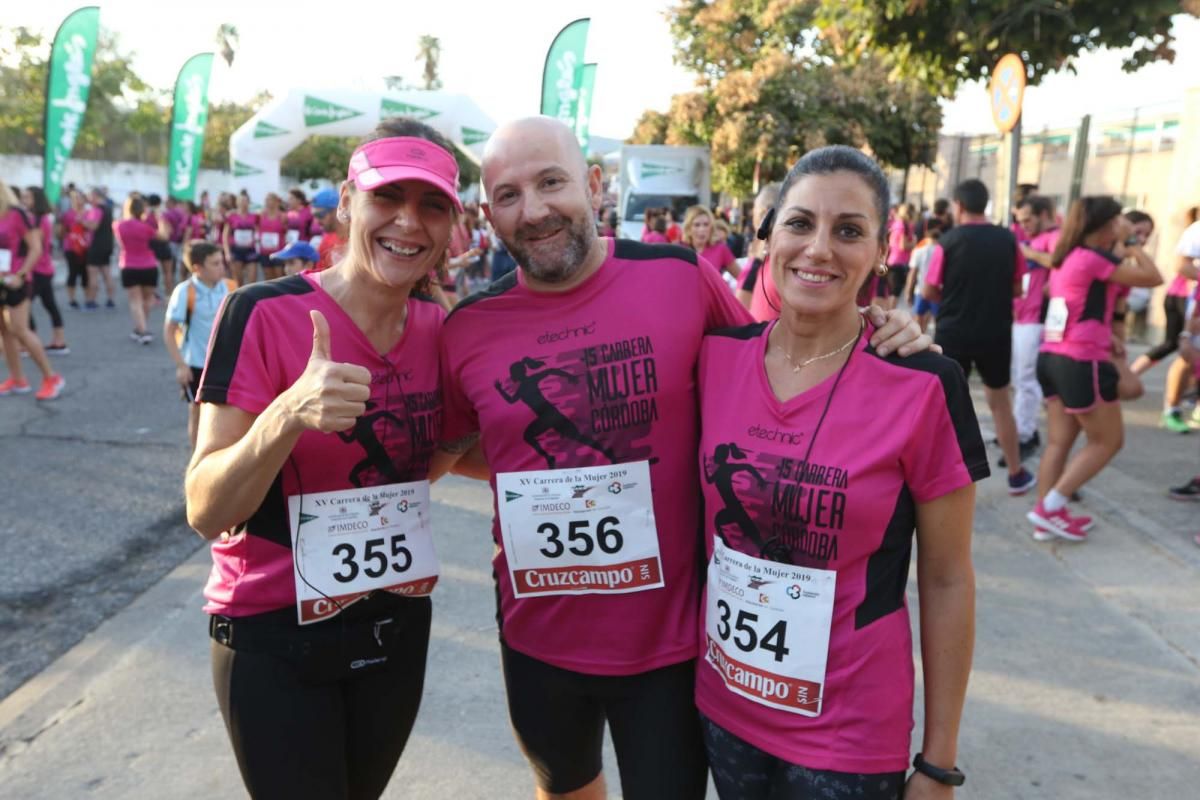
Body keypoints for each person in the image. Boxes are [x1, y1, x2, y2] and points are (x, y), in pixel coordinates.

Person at [434, 116, 931, 800]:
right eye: (509, 195)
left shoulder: (678, 276)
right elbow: (449, 452)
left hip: (670, 646)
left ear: (595, 185)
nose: (535, 209)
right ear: (488, 213)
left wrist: (875, 327)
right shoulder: (468, 327)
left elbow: (769, 368)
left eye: (552, 182)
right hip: (537, 638)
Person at [185, 117, 463, 800]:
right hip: (273, 632)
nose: (408, 221)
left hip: (395, 621)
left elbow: (443, 459)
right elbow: (204, 507)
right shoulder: (264, 313)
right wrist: (286, 414)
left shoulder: (445, 329)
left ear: (455, 223)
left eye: (432, 204)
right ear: (347, 201)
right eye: (387, 198)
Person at [696, 144, 984, 800]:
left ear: (884, 251)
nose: (820, 248)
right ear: (767, 237)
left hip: (848, 731)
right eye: (799, 223)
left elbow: (947, 579)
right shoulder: (713, 358)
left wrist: (939, 762)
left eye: (849, 230)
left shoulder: (923, 383)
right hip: (724, 706)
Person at [1027, 197, 1163, 542]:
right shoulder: (1093, 258)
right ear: (1105, 224)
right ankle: (1051, 506)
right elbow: (1153, 276)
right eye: (1117, 220)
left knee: (1059, 442)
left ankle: (1047, 518)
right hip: (1081, 360)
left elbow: (1069, 298)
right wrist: (1132, 244)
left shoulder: (1067, 257)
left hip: (1053, 355)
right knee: (1107, 441)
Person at [922, 178, 1036, 494]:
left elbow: (929, 290)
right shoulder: (1008, 239)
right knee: (1000, 402)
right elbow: (1017, 287)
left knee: (942, 404)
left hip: (954, 331)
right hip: (996, 331)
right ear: (984, 204)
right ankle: (1016, 473)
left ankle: (936, 477)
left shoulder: (948, 242)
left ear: (958, 206)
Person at [1132, 206, 1200, 432]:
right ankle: (1171, 409)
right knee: (1183, 349)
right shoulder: (1196, 231)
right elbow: (1181, 265)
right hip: (1185, 299)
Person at [164, 241, 236, 448]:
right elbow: (169, 331)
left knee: (227, 412)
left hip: (225, 363)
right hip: (196, 363)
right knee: (197, 413)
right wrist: (180, 365)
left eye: (221, 261)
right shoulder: (185, 292)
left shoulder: (230, 287)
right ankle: (197, 461)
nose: (221, 267)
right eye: (215, 263)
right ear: (197, 268)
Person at [0, 180, 65, 400]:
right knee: (5, 331)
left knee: (20, 329)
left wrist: (20, 275)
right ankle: (17, 379)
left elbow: (36, 248)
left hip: (17, 279)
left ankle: (51, 377)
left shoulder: (15, 213)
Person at [1010, 194, 1059, 461]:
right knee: (1020, 379)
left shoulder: (1055, 236)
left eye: (1028, 219)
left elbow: (1059, 261)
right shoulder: (1029, 238)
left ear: (1043, 214)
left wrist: (1028, 252)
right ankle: (1022, 430)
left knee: (1027, 379)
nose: (1024, 225)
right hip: (1021, 317)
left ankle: (1023, 435)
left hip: (1038, 319)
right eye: (1021, 221)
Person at [114, 194, 169, 344]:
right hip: (149, 265)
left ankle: (142, 330)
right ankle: (141, 328)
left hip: (129, 264)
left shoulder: (119, 225)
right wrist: (159, 218)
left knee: (135, 301)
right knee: (147, 299)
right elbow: (164, 237)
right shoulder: (146, 228)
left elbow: (120, 240)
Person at [21, 186, 68, 353]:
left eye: (27, 197)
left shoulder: (37, 220)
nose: (23, 201)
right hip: (43, 268)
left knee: (22, 306)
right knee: (49, 304)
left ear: (36, 200)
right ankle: (59, 342)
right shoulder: (39, 219)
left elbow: (34, 246)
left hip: (38, 270)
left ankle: (30, 343)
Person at [737, 183, 782, 315]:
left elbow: (740, 305)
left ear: (763, 212)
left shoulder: (764, 252)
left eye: (755, 208)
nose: (752, 213)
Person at [681, 205, 740, 280]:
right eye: (697, 225)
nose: (702, 229)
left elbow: (742, 278)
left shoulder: (720, 249)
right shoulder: (680, 249)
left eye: (706, 224)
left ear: (711, 227)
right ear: (689, 228)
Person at [906, 217, 943, 332]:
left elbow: (912, 274)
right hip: (937, 292)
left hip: (920, 291)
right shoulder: (942, 251)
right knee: (938, 321)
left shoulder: (919, 250)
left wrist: (908, 292)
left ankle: (919, 344)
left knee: (918, 322)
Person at [83, 187, 117, 309]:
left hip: (96, 245)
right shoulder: (108, 208)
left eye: (90, 196)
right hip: (107, 244)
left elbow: (93, 226)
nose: (88, 199)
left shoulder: (97, 209)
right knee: (107, 273)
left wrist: (82, 221)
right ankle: (110, 299)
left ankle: (91, 300)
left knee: (93, 274)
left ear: (96, 196)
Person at [60, 189, 91, 309]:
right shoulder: (68, 214)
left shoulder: (89, 213)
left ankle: (88, 299)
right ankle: (72, 300)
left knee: (85, 274)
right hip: (71, 246)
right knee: (72, 273)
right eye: (75, 198)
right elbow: (62, 230)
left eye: (80, 198)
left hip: (86, 247)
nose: (78, 201)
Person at [224, 192, 260, 286]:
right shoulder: (232, 216)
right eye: (241, 201)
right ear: (237, 203)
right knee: (238, 282)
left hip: (250, 250)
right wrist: (227, 253)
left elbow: (258, 232)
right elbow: (225, 236)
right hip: (236, 250)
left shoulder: (255, 216)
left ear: (249, 203)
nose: (243, 203)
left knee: (252, 281)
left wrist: (257, 243)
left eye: (245, 201)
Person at [885, 202, 916, 308]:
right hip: (899, 262)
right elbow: (903, 245)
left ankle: (888, 316)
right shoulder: (903, 225)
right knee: (895, 293)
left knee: (892, 292)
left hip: (893, 260)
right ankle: (889, 317)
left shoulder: (897, 223)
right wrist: (914, 243)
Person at [146, 194, 177, 295]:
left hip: (150, 245)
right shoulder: (162, 214)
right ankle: (169, 294)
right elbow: (169, 231)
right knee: (167, 272)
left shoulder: (144, 215)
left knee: (151, 271)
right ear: (159, 203)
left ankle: (152, 294)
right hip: (163, 244)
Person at [309, 187, 344, 270]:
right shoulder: (326, 240)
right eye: (314, 216)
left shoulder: (356, 239)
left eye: (320, 215)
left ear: (337, 211)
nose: (316, 221)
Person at [256, 193, 288, 270]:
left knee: (279, 276)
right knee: (268, 278)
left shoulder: (283, 216)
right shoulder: (260, 215)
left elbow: (287, 232)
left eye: (269, 199)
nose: (267, 202)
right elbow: (256, 229)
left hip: (278, 251)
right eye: (266, 200)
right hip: (264, 251)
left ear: (276, 201)